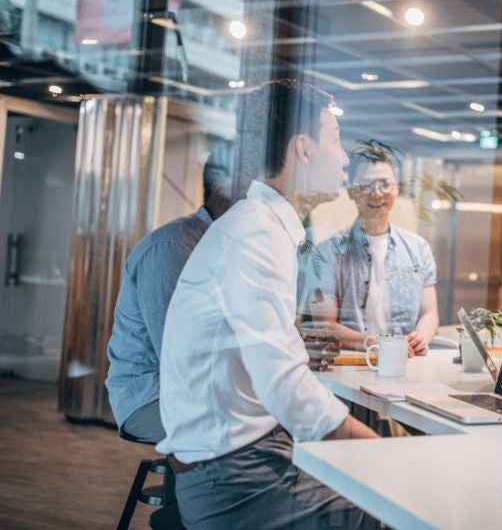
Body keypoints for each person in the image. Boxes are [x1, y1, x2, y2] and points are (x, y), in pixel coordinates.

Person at [157, 80, 378, 530]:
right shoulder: (257, 232)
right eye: (335, 140)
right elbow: (286, 387)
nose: (343, 157)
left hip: (241, 460)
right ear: (304, 149)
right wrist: (382, 451)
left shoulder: (261, 226)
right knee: (390, 510)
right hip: (234, 478)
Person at [105, 157, 233, 442]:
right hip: (152, 395)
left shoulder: (225, 247)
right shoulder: (173, 247)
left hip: (198, 389)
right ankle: (196, 485)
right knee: (261, 436)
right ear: (221, 187)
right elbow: (178, 353)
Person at [300, 140, 438, 356]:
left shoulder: (418, 248)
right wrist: (379, 344)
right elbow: (325, 326)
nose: (377, 193)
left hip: (406, 362)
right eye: (366, 185)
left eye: (385, 184)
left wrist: (420, 337)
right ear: (352, 192)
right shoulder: (325, 254)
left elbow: (430, 313)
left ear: (397, 188)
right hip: (352, 365)